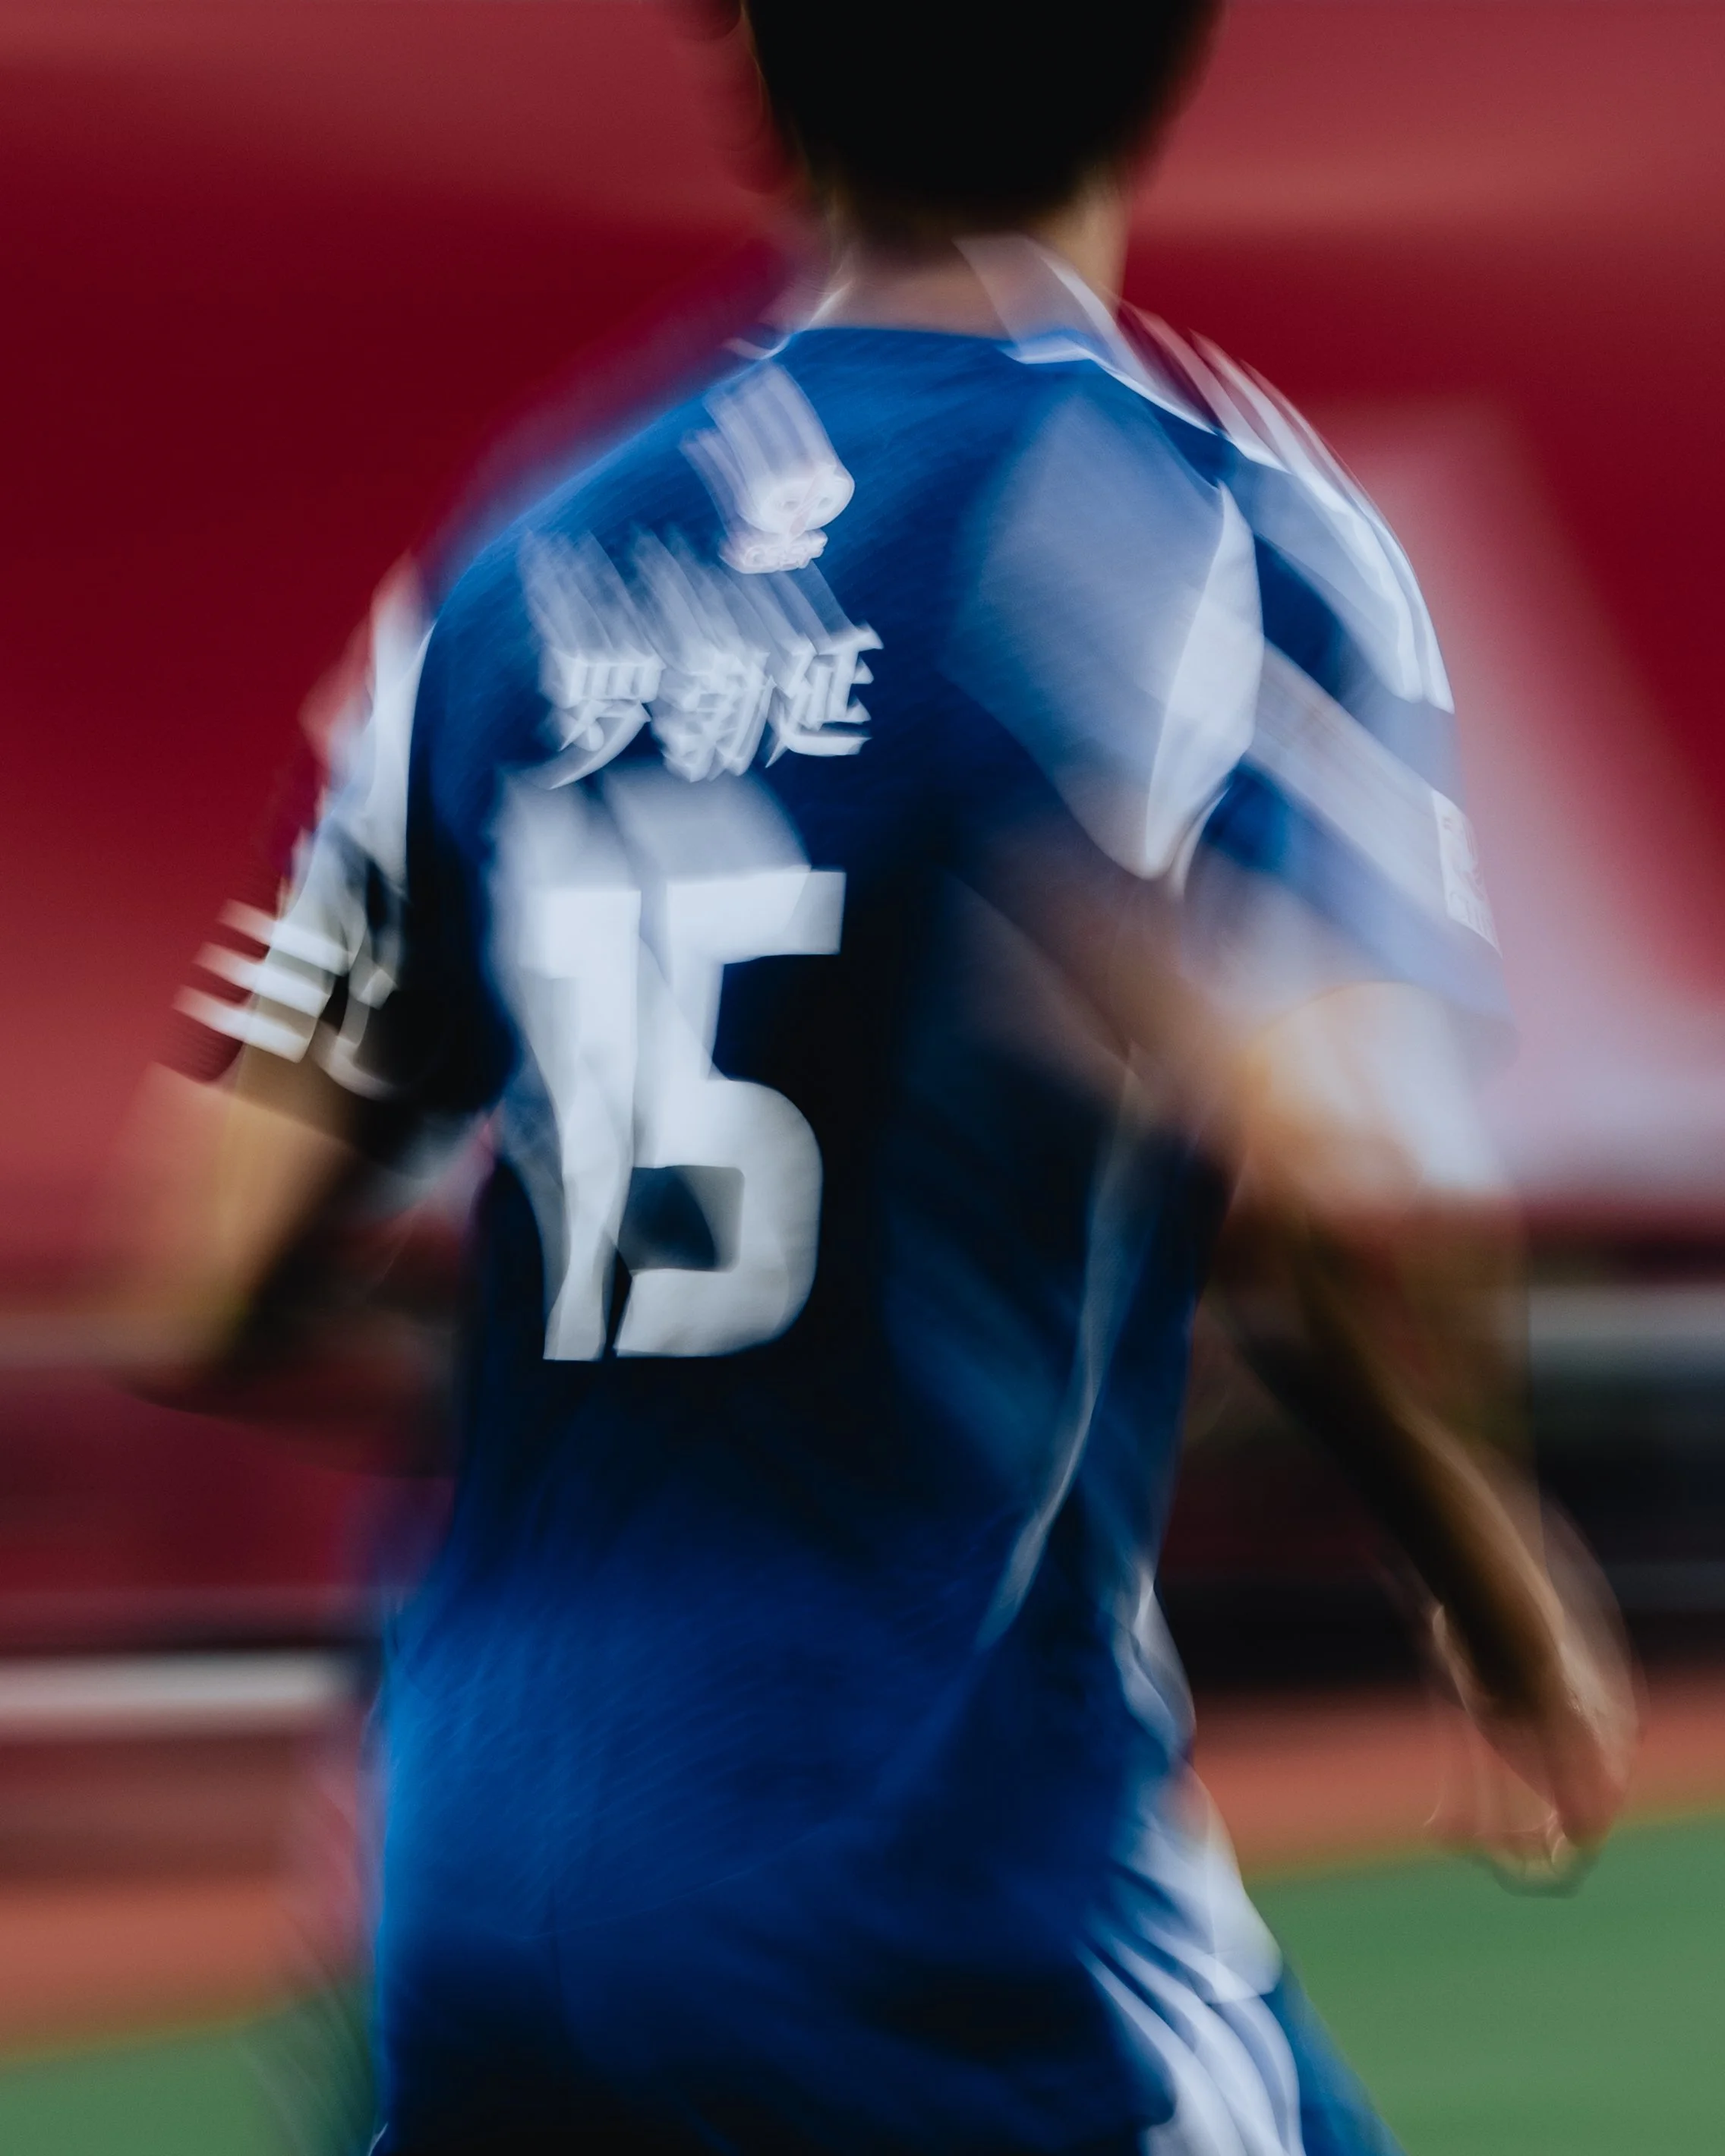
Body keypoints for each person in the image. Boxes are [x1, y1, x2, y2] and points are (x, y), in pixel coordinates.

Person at [111, 2, 1635, 2149]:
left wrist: (642, 1376)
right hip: (935, 1875)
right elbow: (1352, 1192)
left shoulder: (511, 569)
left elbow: (202, 1279)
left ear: (756, 73)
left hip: (468, 1877)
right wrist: (1493, 1578)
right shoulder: (1201, 531)